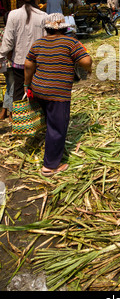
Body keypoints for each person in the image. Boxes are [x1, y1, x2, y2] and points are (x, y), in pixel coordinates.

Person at [24, 13, 92, 177]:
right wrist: (86, 66)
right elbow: (86, 62)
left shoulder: (38, 43)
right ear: (65, 27)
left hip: (39, 88)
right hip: (58, 92)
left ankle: (48, 146)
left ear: (46, 28)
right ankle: (51, 166)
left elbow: (28, 65)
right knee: (57, 128)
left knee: (49, 120)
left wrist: (27, 85)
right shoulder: (71, 43)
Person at [0, 0, 47, 102]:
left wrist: (1, 57)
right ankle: (39, 118)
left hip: (19, 61)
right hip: (38, 62)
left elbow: (8, 40)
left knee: (18, 91)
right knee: (39, 91)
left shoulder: (13, 15)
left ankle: (20, 118)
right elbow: (47, 41)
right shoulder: (43, 16)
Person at [0, 12, 14, 122]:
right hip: (11, 63)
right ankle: (11, 113)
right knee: (12, 88)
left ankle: (4, 111)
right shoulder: (11, 32)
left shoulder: (0, 32)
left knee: (9, 87)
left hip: (2, 63)